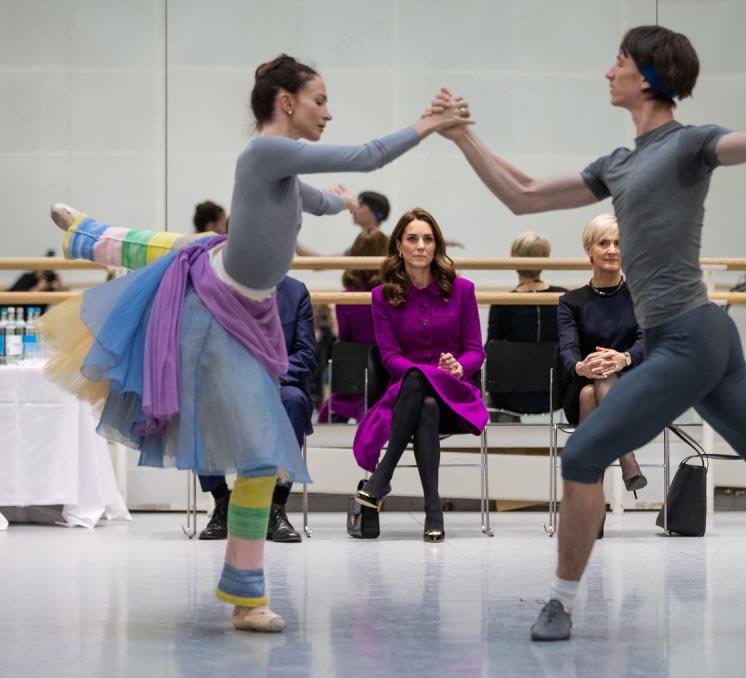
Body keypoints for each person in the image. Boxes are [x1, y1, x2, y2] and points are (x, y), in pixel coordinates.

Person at [427, 25, 746, 640]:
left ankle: (559, 603)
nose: (607, 72)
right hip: (695, 338)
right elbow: (524, 197)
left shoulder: (690, 145)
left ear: (646, 74)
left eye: (617, 62)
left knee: (583, 452)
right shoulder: (617, 164)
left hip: (690, 337)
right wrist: (462, 137)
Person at [38, 53, 470, 633]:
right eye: (320, 100)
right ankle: (247, 597)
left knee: (189, 249)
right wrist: (428, 125)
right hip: (219, 307)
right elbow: (366, 154)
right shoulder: (266, 152)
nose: (329, 112)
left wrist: (341, 203)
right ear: (286, 103)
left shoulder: (283, 174)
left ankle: (91, 236)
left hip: (253, 311)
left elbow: (315, 201)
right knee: (259, 445)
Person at [352, 208, 488, 542]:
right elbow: (390, 358)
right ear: (398, 245)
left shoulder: (463, 290)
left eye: (428, 239)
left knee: (424, 389)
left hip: (454, 397)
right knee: (422, 396)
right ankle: (433, 509)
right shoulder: (382, 297)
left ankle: (382, 478)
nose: (420, 246)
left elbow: (476, 351)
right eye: (412, 239)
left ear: (437, 246)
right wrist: (427, 373)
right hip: (405, 398)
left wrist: (459, 367)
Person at [198, 274, 317, 543]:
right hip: (230, 383)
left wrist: (272, 376)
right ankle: (222, 503)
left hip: (279, 383)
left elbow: (307, 353)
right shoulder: (217, 289)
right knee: (202, 401)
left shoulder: (296, 292)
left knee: (294, 401)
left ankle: (276, 507)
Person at [557, 214, 646, 494]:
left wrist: (624, 358)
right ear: (589, 250)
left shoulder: (641, 295)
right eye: (603, 243)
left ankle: (588, 499)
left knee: (592, 395)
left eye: (618, 243)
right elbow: (568, 348)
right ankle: (627, 457)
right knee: (590, 389)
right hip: (582, 381)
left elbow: (649, 341)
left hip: (633, 387)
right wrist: (581, 367)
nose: (612, 250)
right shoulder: (571, 301)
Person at [486, 231, 566, 415]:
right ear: (545, 258)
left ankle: (502, 443)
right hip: (556, 395)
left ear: (514, 258)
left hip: (509, 398)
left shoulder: (502, 303)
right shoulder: (564, 297)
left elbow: (490, 350)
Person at [317, 229, 388, 422]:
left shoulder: (344, 297)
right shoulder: (394, 295)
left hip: (354, 379)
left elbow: (346, 342)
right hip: (387, 377)